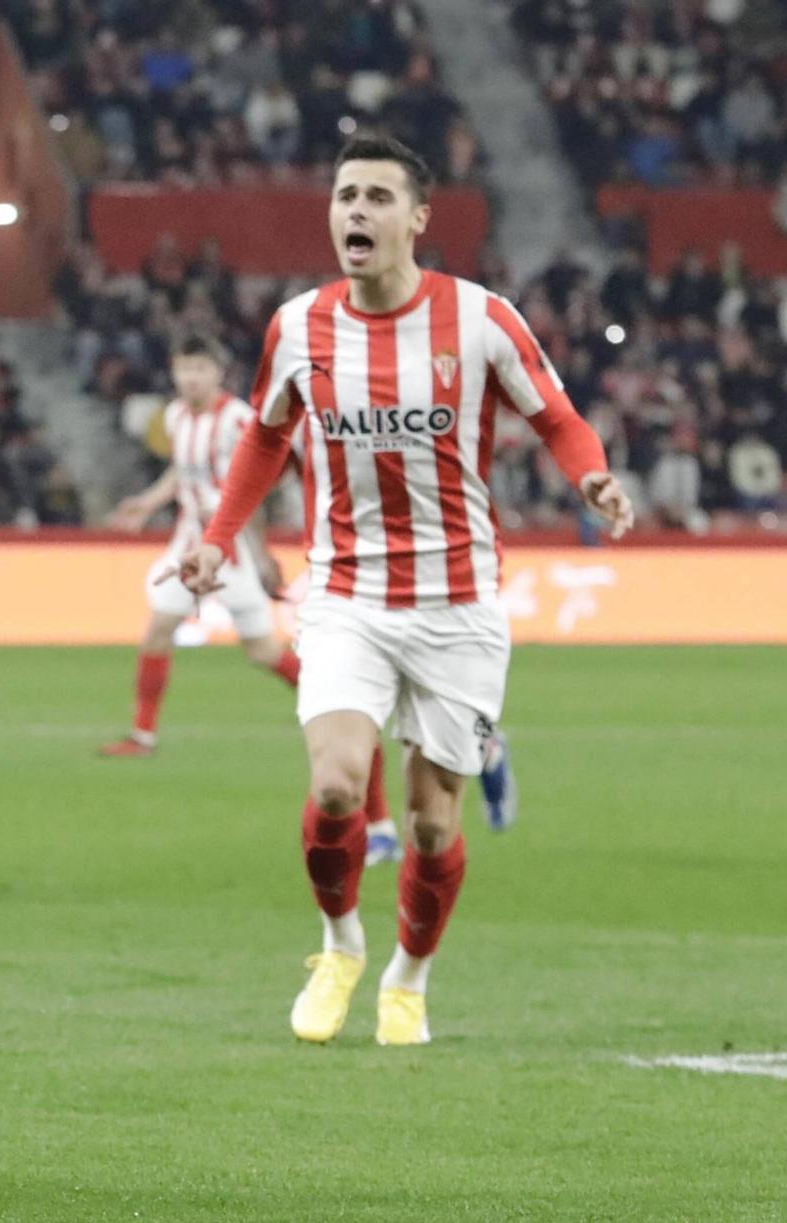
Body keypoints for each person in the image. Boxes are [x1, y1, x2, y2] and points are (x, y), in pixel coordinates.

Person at [167, 134, 633, 1047]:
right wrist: (220, 539)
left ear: (418, 218)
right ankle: (339, 942)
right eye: (346, 195)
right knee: (339, 784)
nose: (357, 212)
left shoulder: (481, 318)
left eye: (379, 197)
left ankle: (408, 977)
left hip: (459, 603)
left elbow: (557, 414)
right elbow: (265, 438)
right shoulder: (299, 326)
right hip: (346, 593)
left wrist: (594, 477)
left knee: (429, 823)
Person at [102, 335, 400, 859]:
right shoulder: (174, 418)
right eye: (183, 368)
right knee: (157, 631)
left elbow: (254, 483)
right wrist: (148, 503)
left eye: (200, 368)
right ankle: (143, 734)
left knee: (263, 652)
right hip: (187, 547)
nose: (190, 378)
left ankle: (340, 700)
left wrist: (260, 556)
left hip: (229, 551)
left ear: (218, 372)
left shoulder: (239, 419)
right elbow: (182, 473)